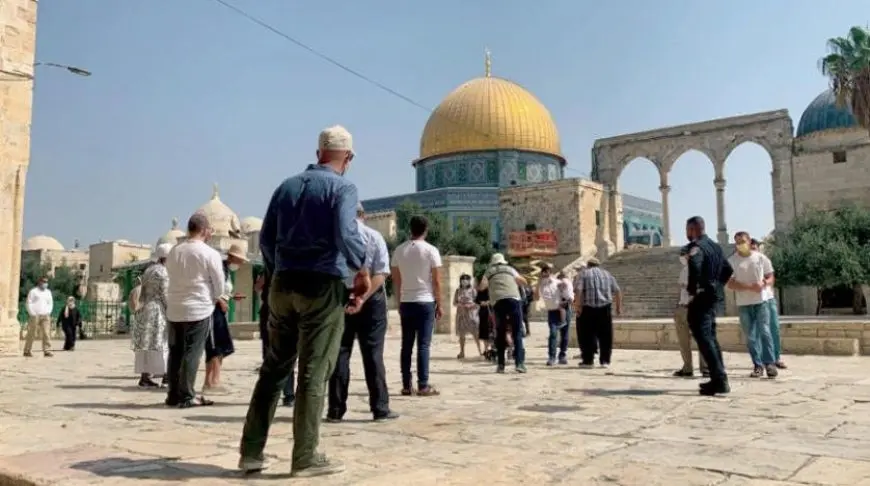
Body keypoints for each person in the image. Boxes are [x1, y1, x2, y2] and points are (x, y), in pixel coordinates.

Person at [239, 125, 370, 478]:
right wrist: (361, 266)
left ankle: (251, 452)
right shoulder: (343, 187)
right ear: (349, 157)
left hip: (282, 286)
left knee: (274, 367)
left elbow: (266, 239)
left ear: (317, 154)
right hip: (321, 285)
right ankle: (305, 455)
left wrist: (277, 271)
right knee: (313, 372)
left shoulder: (287, 186)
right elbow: (345, 234)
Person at [327, 202, 398, 423]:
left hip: (341, 298)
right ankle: (380, 408)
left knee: (340, 353)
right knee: (373, 354)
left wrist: (348, 298)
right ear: (363, 215)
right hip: (371, 299)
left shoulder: (334, 239)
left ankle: (335, 410)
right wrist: (362, 298)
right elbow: (381, 273)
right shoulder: (374, 237)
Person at [165, 212, 225, 408]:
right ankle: (187, 395)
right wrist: (216, 298)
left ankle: (173, 394)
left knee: (175, 352)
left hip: (174, 308)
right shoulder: (209, 253)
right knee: (192, 352)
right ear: (205, 230)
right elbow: (219, 284)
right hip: (198, 308)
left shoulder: (174, 251)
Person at [391, 214, 443, 396]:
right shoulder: (431, 250)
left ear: (410, 229)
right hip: (425, 300)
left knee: (406, 345)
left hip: (407, 300)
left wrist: (399, 302)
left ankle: (406, 385)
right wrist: (440, 303)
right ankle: (423, 384)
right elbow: (436, 281)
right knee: (423, 344)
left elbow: (396, 281)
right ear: (426, 230)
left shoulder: (399, 251)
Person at [684, 216, 733, 396]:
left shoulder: (697, 247)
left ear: (693, 229)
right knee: (710, 337)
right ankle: (719, 377)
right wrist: (717, 286)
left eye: (688, 229)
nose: (687, 234)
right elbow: (728, 270)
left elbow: (695, 267)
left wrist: (693, 290)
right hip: (713, 297)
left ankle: (719, 380)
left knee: (704, 337)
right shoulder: (716, 247)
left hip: (702, 298)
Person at [728, 231, 777, 379]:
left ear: (749, 241)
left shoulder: (760, 258)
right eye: (737, 242)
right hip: (744, 303)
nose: (740, 244)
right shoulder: (732, 261)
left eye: (742, 241)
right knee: (750, 336)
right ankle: (757, 365)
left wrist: (764, 283)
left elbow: (770, 276)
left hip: (761, 301)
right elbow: (729, 283)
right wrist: (748, 287)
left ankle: (770, 363)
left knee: (765, 332)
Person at [203, 243, 247, 394]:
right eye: (240, 260)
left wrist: (232, 297)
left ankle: (215, 380)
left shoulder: (227, 271)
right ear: (233, 257)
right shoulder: (219, 269)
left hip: (220, 310)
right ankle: (210, 382)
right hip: (213, 310)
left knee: (222, 346)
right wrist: (220, 301)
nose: (240, 264)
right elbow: (210, 290)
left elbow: (222, 291)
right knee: (215, 347)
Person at [132, 243, 172, 388]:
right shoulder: (164, 272)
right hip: (157, 311)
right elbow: (165, 294)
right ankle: (167, 376)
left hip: (144, 309)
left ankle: (145, 377)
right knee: (162, 342)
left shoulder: (148, 270)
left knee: (146, 344)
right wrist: (171, 310)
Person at [483, 253, 528, 374]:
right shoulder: (510, 269)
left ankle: (501, 365)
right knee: (517, 332)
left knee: (501, 333)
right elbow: (523, 281)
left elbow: (482, 286)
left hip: (498, 302)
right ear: (503, 261)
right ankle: (519, 364)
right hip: (513, 300)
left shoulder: (489, 271)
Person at [573, 257, 621, 369]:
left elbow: (579, 291)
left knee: (586, 335)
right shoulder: (607, 274)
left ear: (588, 265)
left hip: (588, 309)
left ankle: (588, 360)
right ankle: (605, 361)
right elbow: (617, 291)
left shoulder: (583, 274)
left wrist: (578, 307)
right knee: (606, 335)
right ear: (598, 265)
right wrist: (618, 307)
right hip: (605, 308)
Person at [257, 270, 295, 407]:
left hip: (270, 309)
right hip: (286, 310)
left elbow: (258, 286)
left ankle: (269, 393)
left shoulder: (268, 267)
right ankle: (288, 394)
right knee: (287, 353)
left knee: (270, 355)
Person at [751, 238, 786, 369]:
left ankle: (776, 357)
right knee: (759, 331)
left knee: (774, 328)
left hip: (768, 298)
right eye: (752, 247)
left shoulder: (764, 260)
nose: (754, 249)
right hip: (755, 300)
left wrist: (765, 283)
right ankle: (761, 359)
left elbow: (771, 278)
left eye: (755, 246)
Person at [673, 247, 708, 377]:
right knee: (683, 340)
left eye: (686, 255)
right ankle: (687, 367)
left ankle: (705, 368)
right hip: (683, 307)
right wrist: (678, 306)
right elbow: (681, 290)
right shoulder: (684, 270)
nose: (683, 257)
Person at [536, 265, 568, 366]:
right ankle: (552, 357)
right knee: (553, 334)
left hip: (562, 309)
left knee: (564, 335)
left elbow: (567, 293)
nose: (545, 274)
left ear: (550, 272)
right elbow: (536, 297)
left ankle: (562, 355)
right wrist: (538, 282)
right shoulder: (541, 285)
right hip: (552, 312)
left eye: (547, 272)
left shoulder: (558, 283)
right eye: (543, 272)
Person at [24, 277, 53, 358]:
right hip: (35, 315)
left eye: (46, 282)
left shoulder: (48, 292)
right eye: (44, 281)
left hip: (45, 315)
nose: (45, 283)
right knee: (32, 333)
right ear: (39, 282)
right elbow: (28, 303)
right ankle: (27, 350)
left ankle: (47, 350)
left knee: (46, 333)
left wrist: (48, 312)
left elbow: (50, 303)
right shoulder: (33, 291)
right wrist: (32, 313)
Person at [452, 273, 480, 359]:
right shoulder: (458, 291)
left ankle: (480, 351)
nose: (464, 281)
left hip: (471, 314)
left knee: (476, 333)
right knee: (462, 335)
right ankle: (462, 352)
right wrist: (460, 305)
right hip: (461, 315)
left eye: (466, 279)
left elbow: (478, 302)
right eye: (462, 279)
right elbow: (454, 303)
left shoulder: (473, 290)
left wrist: (471, 305)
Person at [475, 276, 493, 358]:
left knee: (490, 331)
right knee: (484, 332)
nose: (483, 282)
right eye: (482, 280)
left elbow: (494, 299)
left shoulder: (490, 290)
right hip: (482, 313)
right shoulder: (479, 291)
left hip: (490, 313)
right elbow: (476, 300)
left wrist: (487, 302)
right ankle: (486, 349)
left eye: (484, 280)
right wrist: (481, 303)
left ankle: (490, 348)